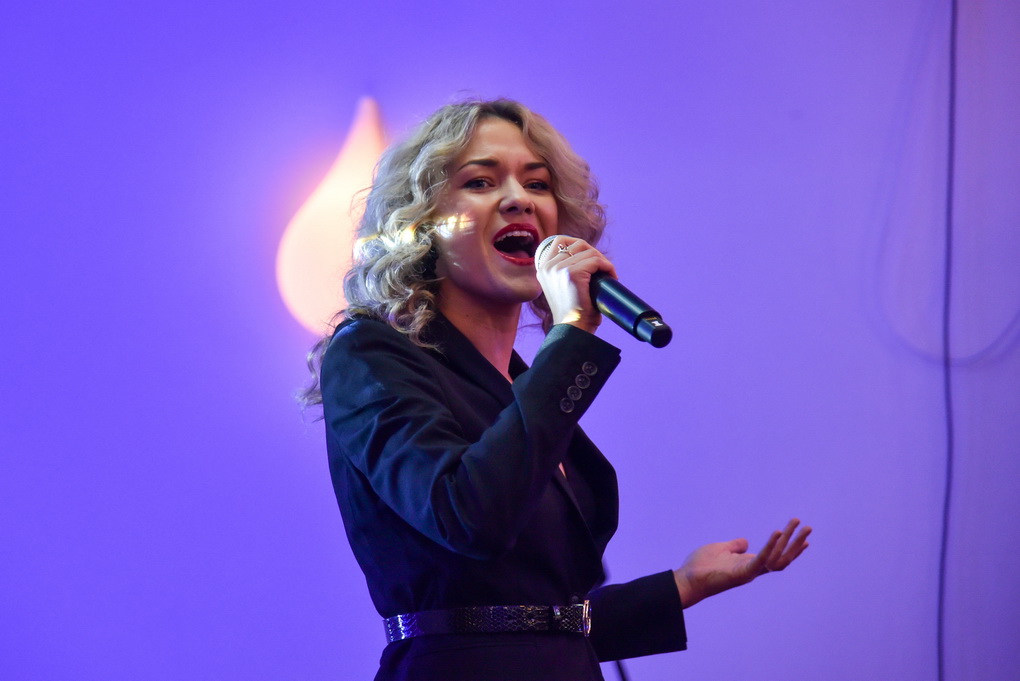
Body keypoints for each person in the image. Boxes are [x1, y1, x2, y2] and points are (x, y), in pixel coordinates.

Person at [303, 98, 811, 681]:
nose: (518, 198)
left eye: (537, 183)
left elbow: (534, 619)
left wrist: (684, 585)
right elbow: (468, 519)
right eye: (480, 181)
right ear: (419, 226)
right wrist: (571, 334)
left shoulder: (523, 383)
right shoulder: (371, 354)